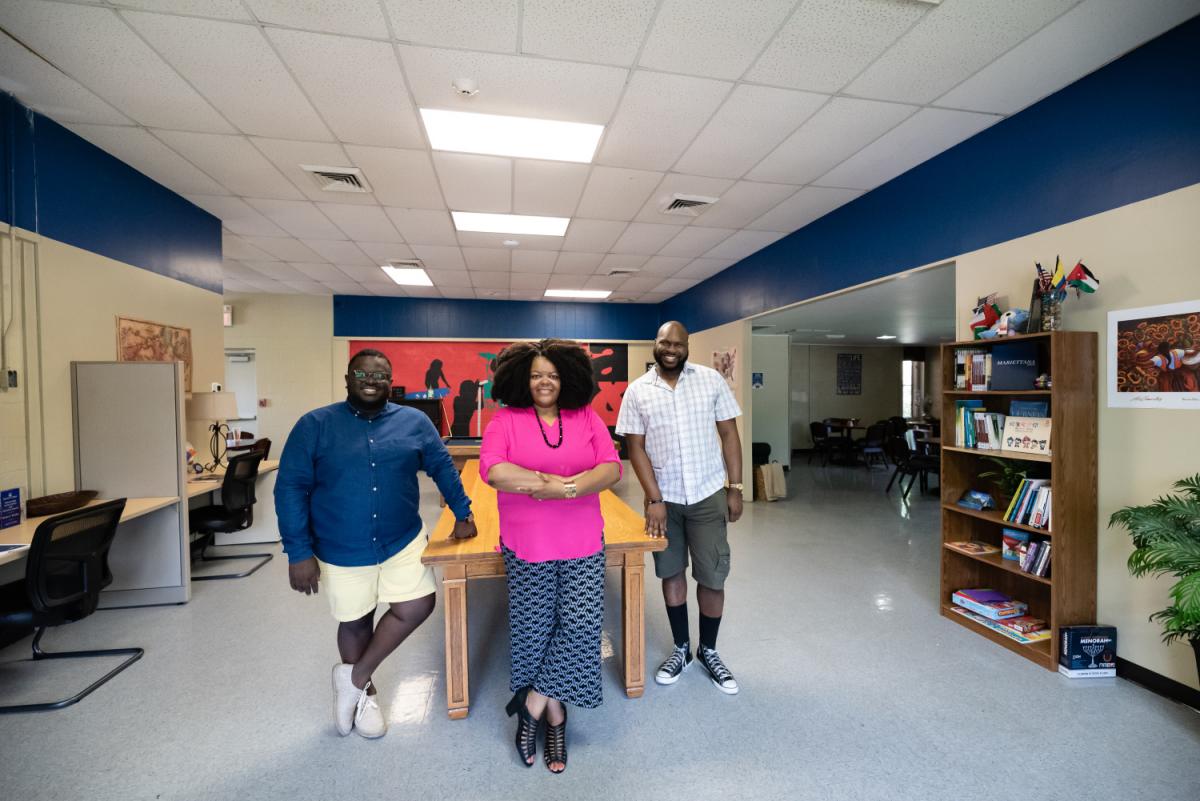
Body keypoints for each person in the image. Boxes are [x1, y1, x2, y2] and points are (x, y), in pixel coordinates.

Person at [275, 348, 477, 739]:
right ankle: (364, 696)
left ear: (391, 382)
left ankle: (352, 679)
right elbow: (290, 489)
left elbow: (442, 467)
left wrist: (463, 513)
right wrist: (298, 552)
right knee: (355, 619)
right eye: (363, 375)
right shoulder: (314, 425)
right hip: (340, 546)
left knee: (418, 603)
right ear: (348, 379)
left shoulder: (415, 422)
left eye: (380, 376)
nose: (371, 381)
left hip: (401, 539)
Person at [479, 339, 621, 773]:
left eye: (553, 375)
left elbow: (611, 467)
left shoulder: (586, 418)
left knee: (579, 625)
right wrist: (548, 482)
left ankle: (533, 705)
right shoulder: (505, 420)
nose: (545, 381)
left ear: (568, 379)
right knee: (534, 629)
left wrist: (566, 488)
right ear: (523, 378)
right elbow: (493, 469)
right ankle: (556, 718)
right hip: (527, 543)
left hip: (581, 539)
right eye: (537, 374)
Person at [616, 321, 745, 694]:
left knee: (712, 576)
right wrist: (654, 499)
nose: (671, 348)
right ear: (654, 345)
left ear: (687, 346)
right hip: (665, 500)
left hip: (707, 495)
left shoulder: (710, 380)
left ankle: (709, 650)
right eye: (664, 342)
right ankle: (681, 649)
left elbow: (729, 434)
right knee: (671, 572)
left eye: (678, 343)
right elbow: (634, 447)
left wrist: (734, 488)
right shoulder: (638, 392)